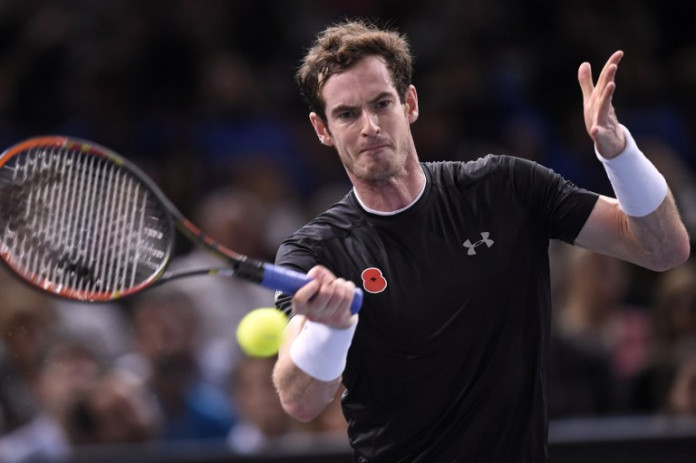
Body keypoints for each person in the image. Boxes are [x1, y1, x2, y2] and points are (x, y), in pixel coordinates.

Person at [271, 19, 690, 462]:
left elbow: (663, 248)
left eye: (382, 104)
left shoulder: (503, 187)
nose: (370, 126)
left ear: (409, 103)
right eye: (347, 114)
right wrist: (327, 329)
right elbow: (300, 400)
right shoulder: (314, 253)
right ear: (322, 128)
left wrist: (619, 152)